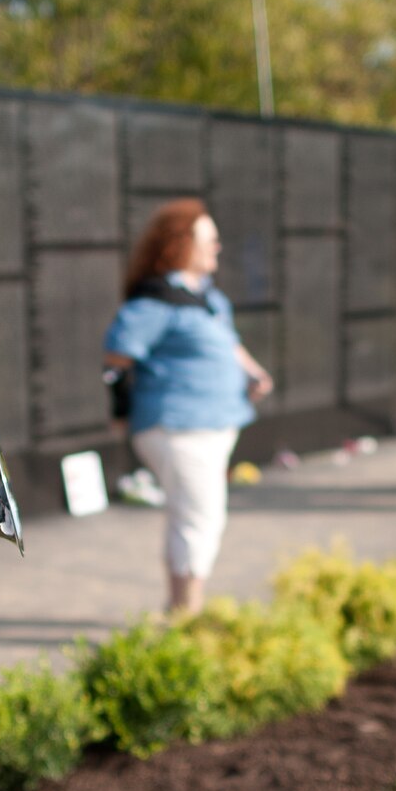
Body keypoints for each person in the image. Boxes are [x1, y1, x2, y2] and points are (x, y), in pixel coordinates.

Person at [104, 200, 273, 614]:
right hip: (177, 428)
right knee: (199, 519)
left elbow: (229, 343)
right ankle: (185, 613)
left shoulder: (208, 298)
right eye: (209, 241)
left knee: (199, 517)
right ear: (181, 245)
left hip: (215, 425)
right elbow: (117, 358)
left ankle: (181, 611)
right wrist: (120, 412)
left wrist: (252, 374)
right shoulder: (156, 301)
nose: (217, 249)